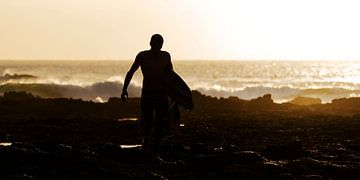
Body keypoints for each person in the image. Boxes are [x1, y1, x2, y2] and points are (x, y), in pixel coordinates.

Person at [121, 34, 173, 150]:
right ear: (150, 43)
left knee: (161, 121)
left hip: (162, 94)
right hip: (148, 94)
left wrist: (175, 94)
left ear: (162, 44)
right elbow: (131, 72)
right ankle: (145, 142)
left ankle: (156, 145)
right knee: (147, 121)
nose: (158, 45)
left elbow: (171, 76)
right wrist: (124, 89)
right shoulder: (142, 56)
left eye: (160, 43)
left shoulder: (166, 56)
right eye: (155, 43)